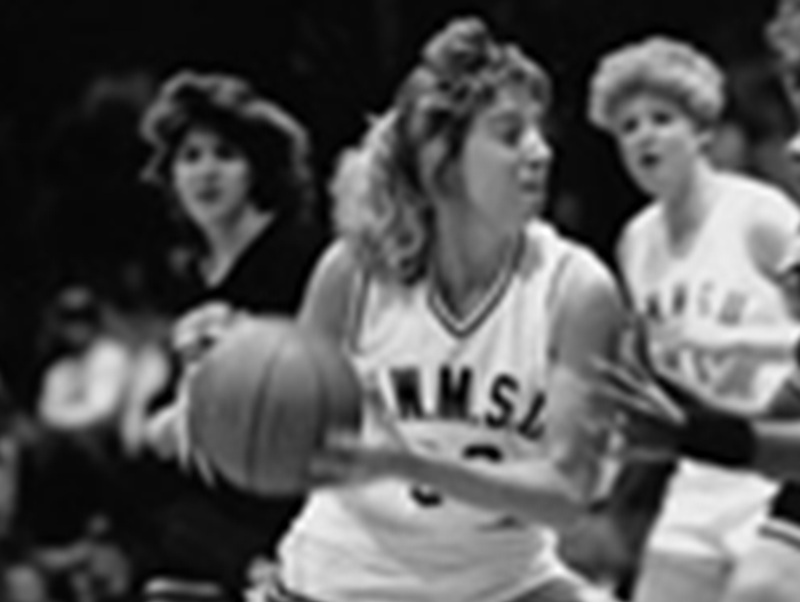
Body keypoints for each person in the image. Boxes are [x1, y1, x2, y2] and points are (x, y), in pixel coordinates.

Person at [265, 17, 625, 602]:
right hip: (344, 580)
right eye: (510, 134)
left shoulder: (578, 289)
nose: (540, 151)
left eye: (539, 131)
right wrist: (227, 395)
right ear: (443, 162)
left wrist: (410, 464)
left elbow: (566, 493)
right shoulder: (352, 274)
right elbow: (289, 436)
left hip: (505, 582)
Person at [587, 34, 800, 602]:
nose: (645, 136)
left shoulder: (761, 216)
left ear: (703, 131)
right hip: (702, 469)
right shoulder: (636, 242)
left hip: (779, 462)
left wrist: (735, 345)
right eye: (628, 127)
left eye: (662, 119)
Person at [115, 70, 327, 601]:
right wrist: (167, 418)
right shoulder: (190, 276)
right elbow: (169, 403)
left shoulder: (304, 256)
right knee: (138, 485)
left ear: (259, 167)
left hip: (300, 467)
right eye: (190, 157)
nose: (206, 172)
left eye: (225, 155)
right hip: (220, 483)